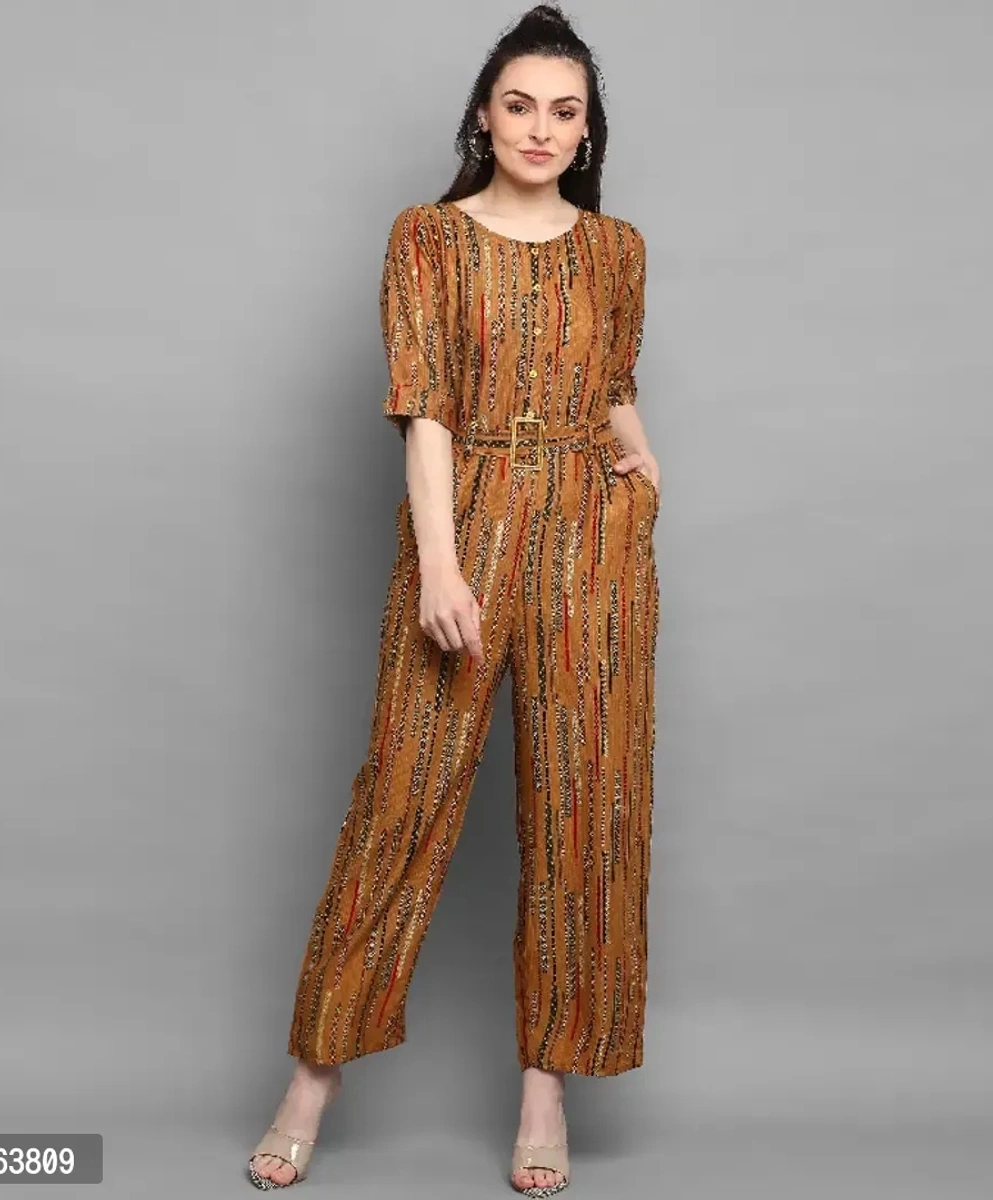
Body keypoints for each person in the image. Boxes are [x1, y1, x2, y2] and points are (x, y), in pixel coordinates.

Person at [247, 5, 660, 1194]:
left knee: (589, 809)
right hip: (466, 517)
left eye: (565, 112)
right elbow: (423, 403)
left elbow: (613, 380)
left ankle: (546, 1089)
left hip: (593, 536)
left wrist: (643, 459)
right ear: (484, 114)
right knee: (405, 795)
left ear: (587, 133)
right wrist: (440, 562)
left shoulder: (618, 248)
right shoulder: (427, 237)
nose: (541, 128)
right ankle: (312, 1079)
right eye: (520, 104)